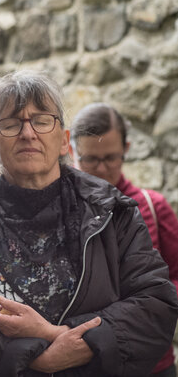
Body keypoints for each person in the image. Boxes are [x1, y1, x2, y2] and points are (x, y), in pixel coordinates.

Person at [0, 70, 178, 376]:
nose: (28, 133)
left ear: (65, 142)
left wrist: (62, 336)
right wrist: (31, 356)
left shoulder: (112, 212)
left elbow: (156, 306)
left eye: (41, 120)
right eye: (11, 124)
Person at [70, 102, 178, 377]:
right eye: (90, 159)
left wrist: (151, 305)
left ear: (126, 149)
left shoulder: (153, 207)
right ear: (71, 151)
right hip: (84, 361)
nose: (102, 169)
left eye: (111, 157)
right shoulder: (61, 211)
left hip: (152, 364)